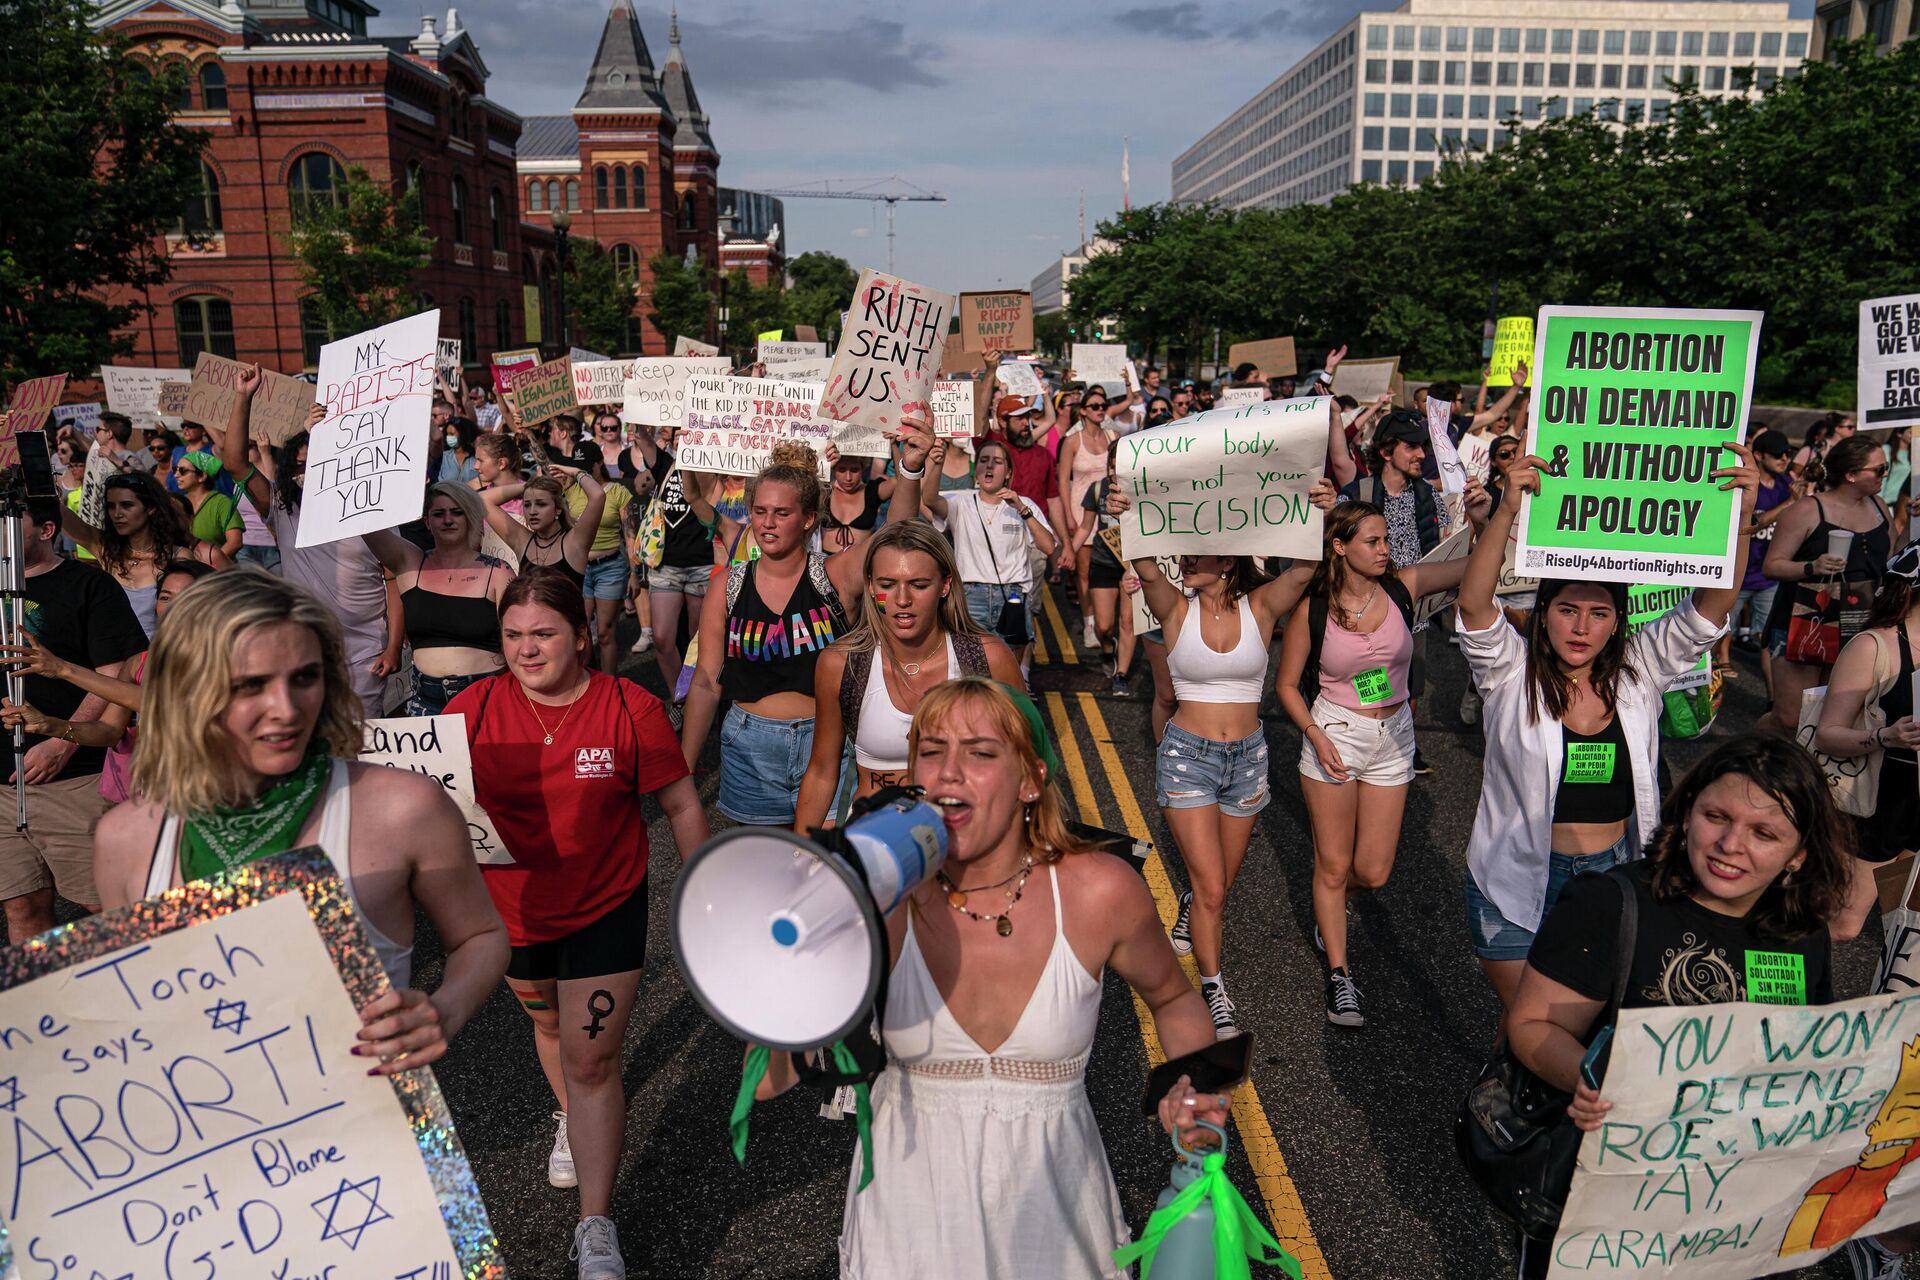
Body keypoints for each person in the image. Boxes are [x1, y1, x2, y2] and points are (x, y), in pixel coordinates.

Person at [751, 678, 1231, 1279]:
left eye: (980, 753)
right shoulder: (884, 901)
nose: (950, 772)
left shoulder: (1100, 892)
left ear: (1029, 780)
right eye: (931, 751)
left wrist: (1198, 1089)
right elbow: (768, 1081)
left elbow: (1176, 998)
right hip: (907, 1235)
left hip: (1056, 1233)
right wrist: (792, 952)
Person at [92, 567, 507, 1091]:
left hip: (364, 1143)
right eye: (250, 685)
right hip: (200, 1142)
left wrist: (445, 1008)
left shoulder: (404, 807)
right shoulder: (126, 839)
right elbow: (130, 1002)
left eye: (305, 677)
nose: (286, 710)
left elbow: (481, 935)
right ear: (187, 689)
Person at [1506, 736, 1851, 1279]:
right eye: (1717, 816)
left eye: (1765, 833)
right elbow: (1531, 1026)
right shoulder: (1611, 904)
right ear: (1687, 812)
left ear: (1799, 854)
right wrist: (1590, 1080)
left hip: (1728, 1214)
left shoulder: (1802, 936)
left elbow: (1805, 1063)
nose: (1730, 844)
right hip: (1605, 1202)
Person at [447, 569, 709, 1279]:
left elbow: (681, 805)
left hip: (606, 903)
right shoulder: (470, 710)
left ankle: (597, 1227)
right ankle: (570, 1116)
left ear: (583, 636)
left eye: (543, 634)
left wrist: (710, 893)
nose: (526, 651)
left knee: (592, 1060)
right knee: (552, 1029)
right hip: (512, 914)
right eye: (512, 636)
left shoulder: (629, 706)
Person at [1454, 445, 1759, 1018]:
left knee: (1582, 1026)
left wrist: (1740, 522)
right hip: (1513, 877)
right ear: (1544, 613)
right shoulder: (1509, 674)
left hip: (1615, 876)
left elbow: (1710, 610)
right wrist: (1506, 511)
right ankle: (1497, 1107)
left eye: (1599, 614)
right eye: (1568, 609)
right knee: (1528, 1023)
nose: (1582, 627)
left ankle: (1524, 1106)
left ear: (1618, 622)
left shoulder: (1640, 673)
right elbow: (1474, 605)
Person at [1106, 506, 1316, 1036]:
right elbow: (1147, 566)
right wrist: (1125, 513)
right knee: (1214, 890)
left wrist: (1322, 509)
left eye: (1196, 553)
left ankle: (1192, 903)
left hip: (1248, 760)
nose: (1185, 559)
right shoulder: (1174, 610)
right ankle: (1214, 988)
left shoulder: (1261, 607)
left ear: (1226, 560)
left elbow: (1308, 566)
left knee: (1219, 881)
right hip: (1187, 759)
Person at [1274, 499, 1478, 1028]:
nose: (1386, 549)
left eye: (1386, 539)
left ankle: (1330, 904)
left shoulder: (1401, 587)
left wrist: (1483, 519)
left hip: (1395, 739)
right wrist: (1315, 735)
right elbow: (1286, 686)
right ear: (1340, 546)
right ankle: (1341, 975)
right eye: (1373, 541)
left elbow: (1477, 566)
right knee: (1335, 864)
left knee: (1374, 871)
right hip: (1337, 734)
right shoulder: (1312, 610)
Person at [681, 427, 931, 826]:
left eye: (782, 513)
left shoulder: (834, 575)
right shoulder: (726, 587)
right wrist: (684, 768)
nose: (767, 523)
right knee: (764, 873)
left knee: (820, 870)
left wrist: (911, 468)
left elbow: (894, 534)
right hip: (749, 748)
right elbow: (707, 681)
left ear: (809, 518)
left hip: (826, 744)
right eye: (760, 511)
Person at [792, 520, 1022, 832]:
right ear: (870, 586)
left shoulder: (989, 658)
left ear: (944, 585)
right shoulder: (840, 663)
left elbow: (1028, 761)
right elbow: (822, 770)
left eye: (918, 584)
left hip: (968, 840)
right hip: (876, 845)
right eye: (887, 585)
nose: (902, 599)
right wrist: (799, 856)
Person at [0, 498, 146, 941]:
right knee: (22, 906)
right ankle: (47, 1004)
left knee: (105, 903)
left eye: (9, 519)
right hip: (4, 784)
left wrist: (64, 743)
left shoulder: (89, 585)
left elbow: (113, 672)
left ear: (46, 530)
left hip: (72, 775)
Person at [217, 373, 399, 719]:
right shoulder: (283, 507)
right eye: (299, 464)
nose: (307, 470)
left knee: (362, 746)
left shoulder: (373, 509)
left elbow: (394, 583)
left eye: (317, 460)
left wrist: (392, 648)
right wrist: (243, 397)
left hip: (365, 656)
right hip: (304, 651)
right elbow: (235, 463)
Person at [1, 558, 215, 807]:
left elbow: (157, 702)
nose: (173, 606)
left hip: (203, 791)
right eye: (165, 597)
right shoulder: (139, 662)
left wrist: (64, 669)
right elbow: (109, 730)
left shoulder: (225, 660)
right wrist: (51, 726)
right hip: (147, 796)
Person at [1814, 541, 1920, 941]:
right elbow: (1828, 734)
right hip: (1875, 805)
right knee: (1843, 924)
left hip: (1916, 808)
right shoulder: (1874, 646)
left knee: (1902, 923)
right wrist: (1885, 736)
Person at [1762, 434, 1896, 736]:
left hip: (1858, 619)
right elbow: (1772, 565)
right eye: (1878, 469)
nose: (1884, 475)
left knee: (1829, 717)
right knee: (1789, 718)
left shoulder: (1877, 506)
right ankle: (1746, 759)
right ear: (1850, 474)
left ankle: (1808, 779)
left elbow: (1891, 558)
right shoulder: (1808, 510)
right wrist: (1812, 566)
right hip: (1806, 619)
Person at [361, 483, 509, 716]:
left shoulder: (498, 571)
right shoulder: (410, 563)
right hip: (426, 700)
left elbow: (518, 638)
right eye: (438, 514)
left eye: (457, 512)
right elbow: (366, 527)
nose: (448, 520)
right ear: (427, 522)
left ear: (470, 517)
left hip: (487, 696)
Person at [923, 438, 1058, 672]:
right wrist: (936, 463)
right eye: (984, 461)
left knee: (1007, 672)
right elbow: (930, 500)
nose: (989, 466)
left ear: (1007, 473)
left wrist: (1022, 510)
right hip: (970, 596)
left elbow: (1048, 547)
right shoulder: (961, 502)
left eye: (996, 462)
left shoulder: (1023, 504)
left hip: (1012, 596)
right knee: (971, 672)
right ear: (976, 471)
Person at [621, 423, 717, 696]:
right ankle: (679, 697)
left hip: (702, 565)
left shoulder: (712, 468)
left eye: (688, 432)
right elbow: (642, 437)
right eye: (677, 433)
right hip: (666, 566)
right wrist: (638, 391)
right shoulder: (665, 465)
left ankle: (699, 695)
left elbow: (705, 494)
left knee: (697, 644)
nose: (681, 436)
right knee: (662, 639)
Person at [59, 471, 209, 635]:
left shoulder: (178, 556)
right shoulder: (108, 551)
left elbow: (193, 617)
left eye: (127, 505)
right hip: (117, 655)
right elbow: (65, 519)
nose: (117, 514)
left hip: (159, 653)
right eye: (111, 506)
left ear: (150, 508)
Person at [1722, 428, 1797, 689]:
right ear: (1758, 455)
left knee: (1764, 632)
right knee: (1723, 623)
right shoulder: (1746, 486)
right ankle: (1721, 662)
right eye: (1778, 454)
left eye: (1789, 453)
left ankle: (1772, 694)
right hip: (1740, 570)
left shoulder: (1786, 484)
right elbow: (1753, 523)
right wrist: (1790, 503)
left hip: (1767, 576)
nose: (1785, 459)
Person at [1072, 446, 1137, 695]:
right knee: (1103, 627)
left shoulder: (1137, 488)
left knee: (1127, 621)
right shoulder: (1098, 489)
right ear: (1109, 463)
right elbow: (1085, 526)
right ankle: (1109, 649)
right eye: (1115, 462)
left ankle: (1121, 674)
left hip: (1132, 564)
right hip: (1103, 562)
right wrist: (1068, 551)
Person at [480, 466, 607, 588]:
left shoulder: (574, 542)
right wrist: (530, 485)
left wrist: (576, 472)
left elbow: (597, 495)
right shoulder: (522, 541)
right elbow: (483, 500)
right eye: (527, 505)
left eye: (541, 504)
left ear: (558, 509)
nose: (532, 511)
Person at [1055, 402, 1114, 644]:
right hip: (1083, 510)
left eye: (1104, 405)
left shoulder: (1114, 437)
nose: (1101, 409)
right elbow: (1062, 480)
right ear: (1083, 411)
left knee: (1111, 569)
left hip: (1110, 512)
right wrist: (1068, 515)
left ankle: (1109, 624)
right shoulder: (1072, 441)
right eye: (1094, 405)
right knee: (1084, 571)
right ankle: (1089, 620)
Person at [821, 447, 912, 557]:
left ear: (863, 469)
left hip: (861, 562)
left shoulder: (872, 491)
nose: (848, 477)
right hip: (826, 561)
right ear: (834, 469)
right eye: (842, 470)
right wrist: (825, 466)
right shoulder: (824, 493)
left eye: (854, 470)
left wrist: (893, 446)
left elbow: (901, 479)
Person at [171, 450, 244, 559]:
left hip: (215, 572)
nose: (176, 475)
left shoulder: (222, 502)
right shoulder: (176, 503)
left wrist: (210, 565)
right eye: (175, 470)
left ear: (202, 476)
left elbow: (235, 542)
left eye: (183, 471)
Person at [472, 431, 527, 516]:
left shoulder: (529, 497)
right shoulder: (480, 495)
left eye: (480, 461)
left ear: (501, 463)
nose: (475, 466)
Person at [438, 415, 481, 485]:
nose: (448, 437)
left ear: (463, 434)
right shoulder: (443, 457)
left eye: (452, 434)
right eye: (447, 434)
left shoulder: (478, 457)